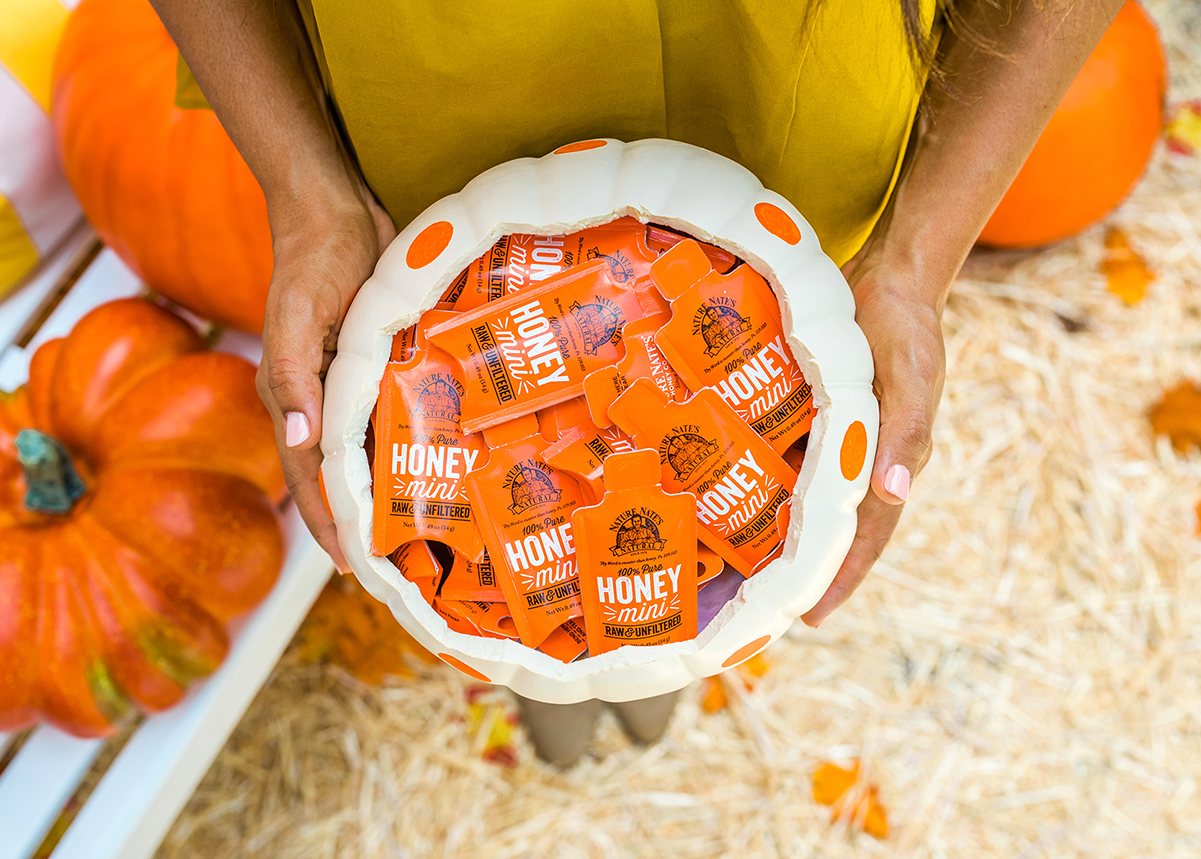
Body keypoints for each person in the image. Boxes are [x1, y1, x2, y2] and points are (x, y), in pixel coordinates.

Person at [150, 0, 1126, 766]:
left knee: (727, 566)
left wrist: (914, 261)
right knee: (543, 614)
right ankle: (548, 670)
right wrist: (304, 189)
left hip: (794, 159)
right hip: (436, 182)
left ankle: (656, 661)